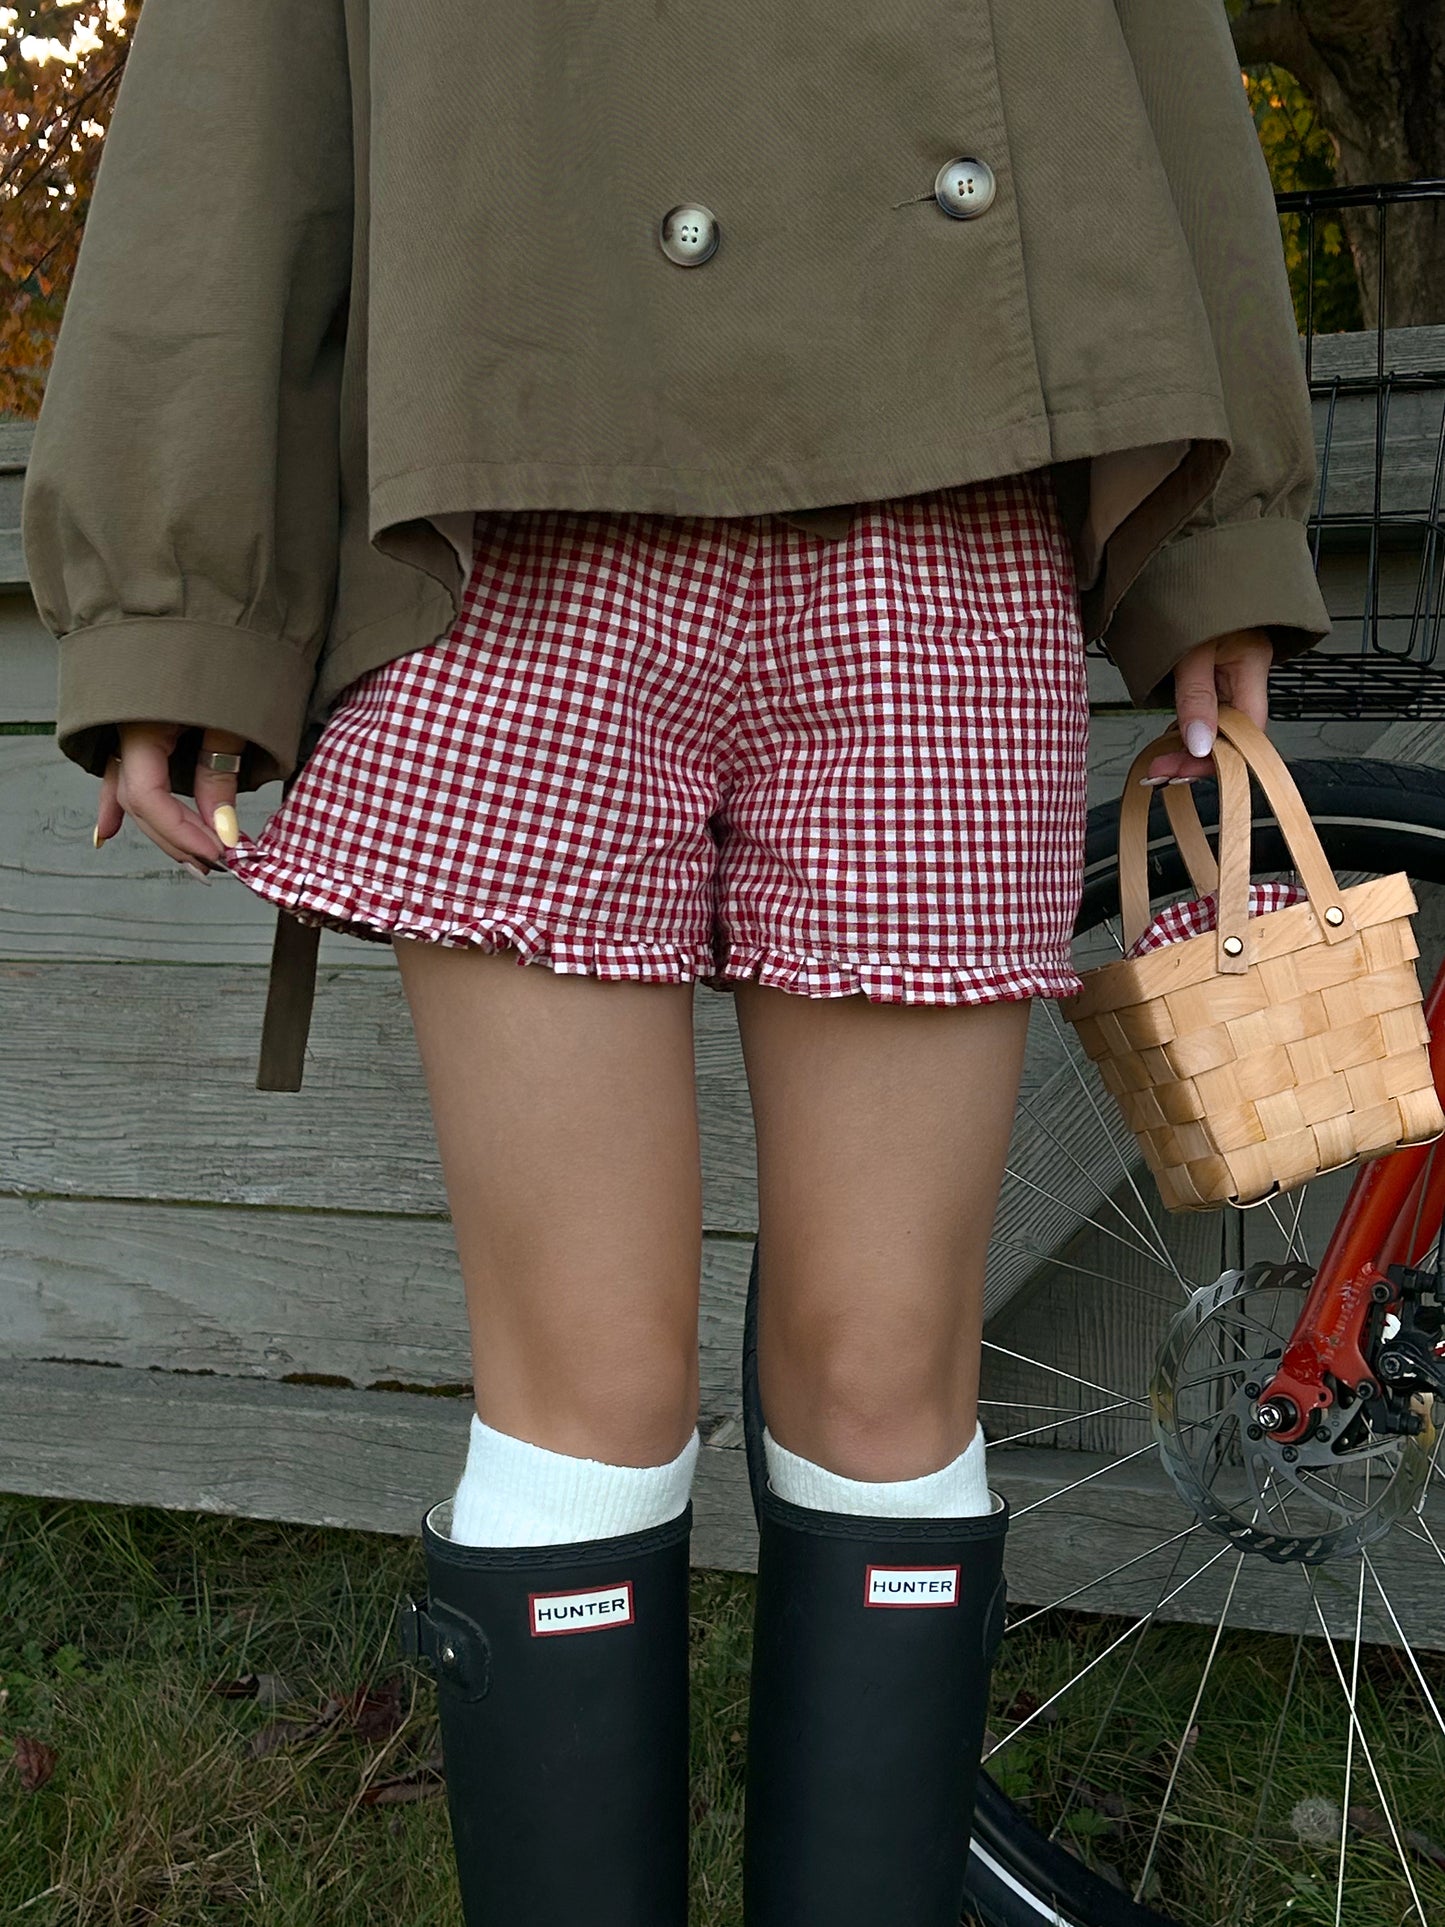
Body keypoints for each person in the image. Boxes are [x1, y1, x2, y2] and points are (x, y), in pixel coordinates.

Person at [20, 2, 1331, 1921]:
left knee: (888, 1378)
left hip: (940, 518)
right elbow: (244, 80)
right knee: (581, 1390)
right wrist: (176, 590)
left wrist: (1213, 539)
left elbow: (1152, 46)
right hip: (514, 512)